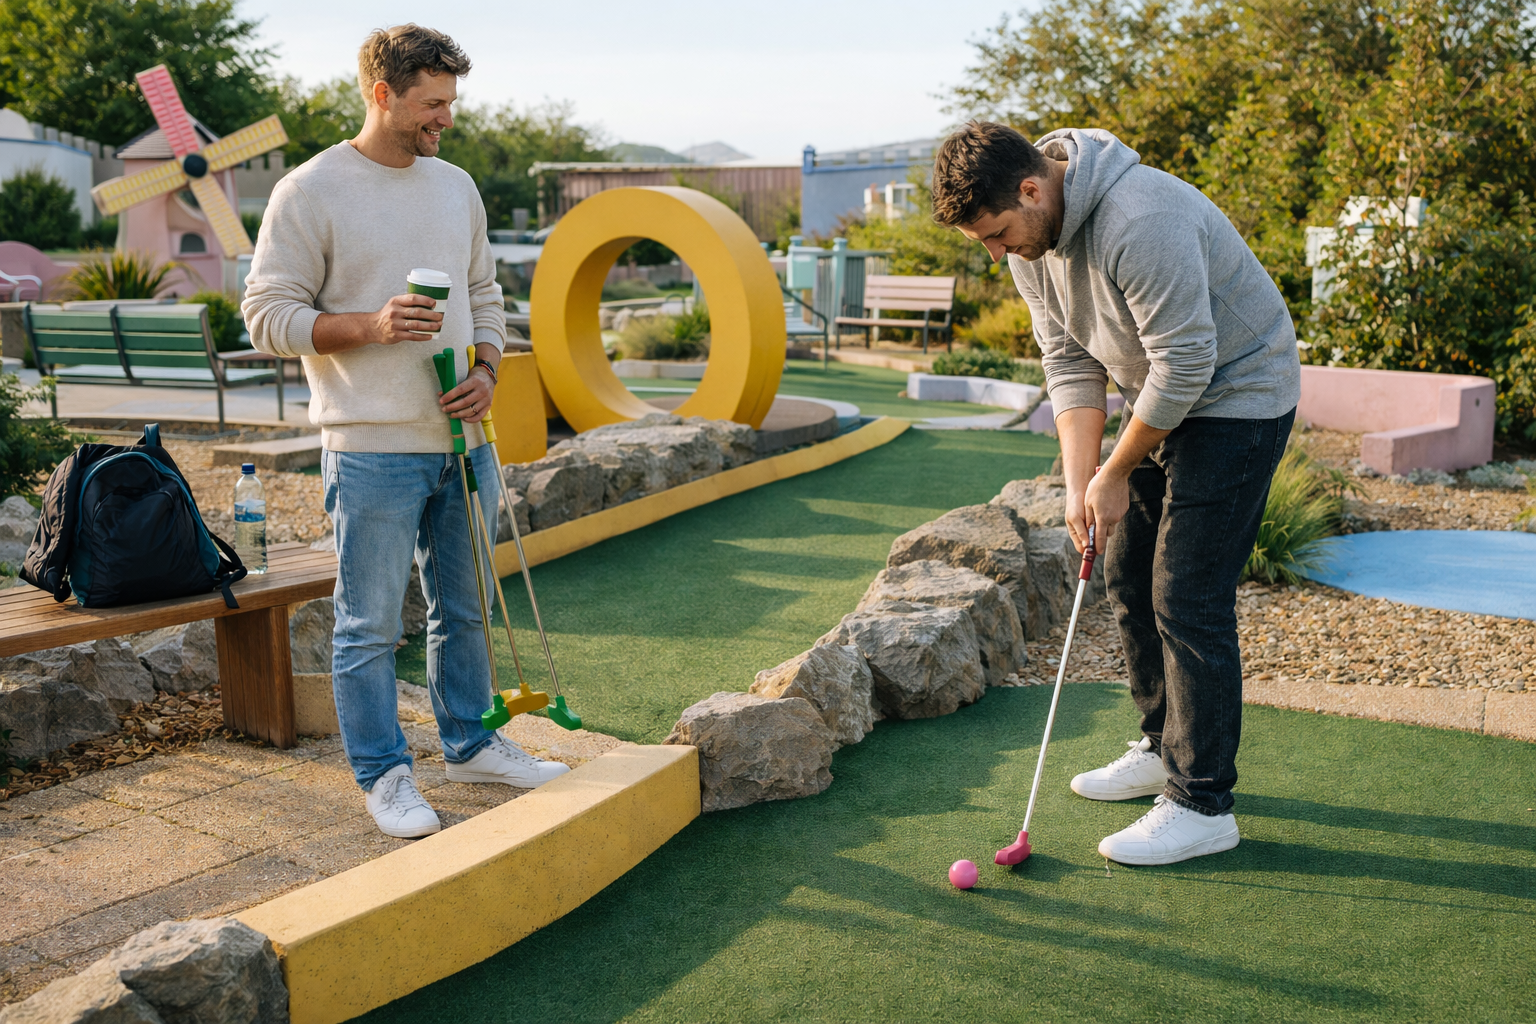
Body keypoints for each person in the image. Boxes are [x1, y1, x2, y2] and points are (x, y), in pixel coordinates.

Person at [930, 122, 1301, 866]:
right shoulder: (1031, 243)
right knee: (1128, 576)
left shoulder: (1143, 217)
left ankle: (1202, 804)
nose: (998, 254)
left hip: (1239, 396)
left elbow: (1190, 360)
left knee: (1187, 595)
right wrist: (1081, 482)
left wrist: (1118, 467)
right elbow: (1067, 358)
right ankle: (1163, 747)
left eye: (999, 234)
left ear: (1033, 189)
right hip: (1161, 398)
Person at [243, 24, 569, 839]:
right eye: (432, 104)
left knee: (464, 610)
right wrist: (371, 326)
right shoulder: (310, 190)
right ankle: (385, 776)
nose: (445, 120)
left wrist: (488, 370)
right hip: (371, 448)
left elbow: (486, 295)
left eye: (451, 103)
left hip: (464, 443)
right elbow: (265, 318)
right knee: (368, 625)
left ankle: (469, 743)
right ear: (383, 95)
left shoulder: (455, 186)